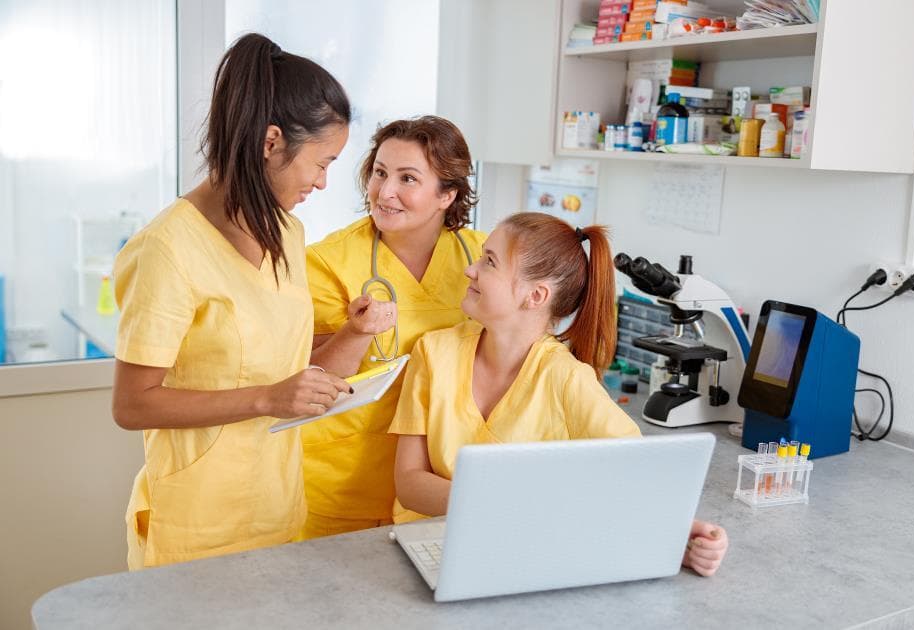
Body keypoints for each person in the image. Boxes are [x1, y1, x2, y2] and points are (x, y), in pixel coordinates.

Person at [111, 33, 352, 569]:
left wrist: (350, 338)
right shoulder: (166, 249)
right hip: (197, 526)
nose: (323, 180)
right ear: (271, 142)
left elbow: (284, 369)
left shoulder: (287, 232)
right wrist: (267, 397)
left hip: (278, 508)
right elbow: (132, 404)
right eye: (321, 162)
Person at [389, 212, 728, 576]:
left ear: (535, 295)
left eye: (489, 262)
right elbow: (409, 482)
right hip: (420, 546)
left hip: (516, 556)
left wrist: (678, 536)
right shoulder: (435, 352)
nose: (471, 270)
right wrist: (501, 506)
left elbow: (636, 474)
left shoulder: (567, 379)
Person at [300, 116, 488, 539]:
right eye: (380, 173)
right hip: (342, 483)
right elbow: (315, 378)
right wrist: (356, 333)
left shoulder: (482, 259)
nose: (385, 192)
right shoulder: (327, 261)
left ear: (447, 194)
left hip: (439, 482)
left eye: (408, 178)